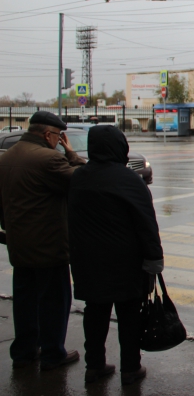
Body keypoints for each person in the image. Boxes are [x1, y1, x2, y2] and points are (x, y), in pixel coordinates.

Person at [67, 126, 164, 386]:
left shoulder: (79, 178)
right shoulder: (128, 179)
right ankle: (130, 368)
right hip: (124, 262)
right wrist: (154, 259)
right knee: (129, 315)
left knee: (95, 313)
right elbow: (146, 222)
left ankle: (94, 366)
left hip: (86, 260)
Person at [0, 112, 85, 370]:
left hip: (19, 243)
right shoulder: (48, 159)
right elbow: (82, 181)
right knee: (54, 301)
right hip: (49, 246)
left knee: (25, 301)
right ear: (48, 135)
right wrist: (71, 154)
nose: (60, 141)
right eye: (59, 137)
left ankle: (24, 352)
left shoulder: (6, 157)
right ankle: (53, 353)